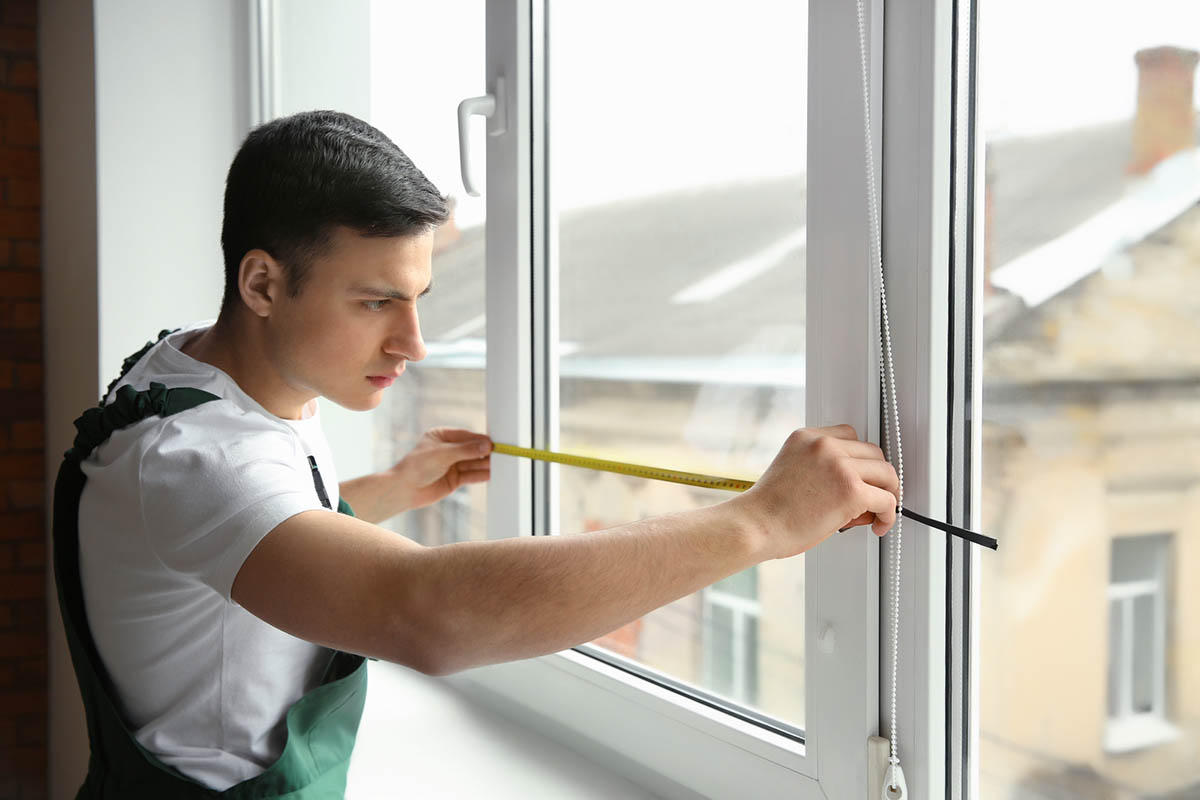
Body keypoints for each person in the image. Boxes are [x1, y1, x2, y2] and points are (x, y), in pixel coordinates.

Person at [57, 110, 899, 798]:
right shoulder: (194, 457)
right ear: (264, 284)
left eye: (418, 298)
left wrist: (390, 488)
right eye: (377, 301)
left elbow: (250, 535)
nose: (414, 343)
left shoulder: (190, 367)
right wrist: (761, 521)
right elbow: (424, 614)